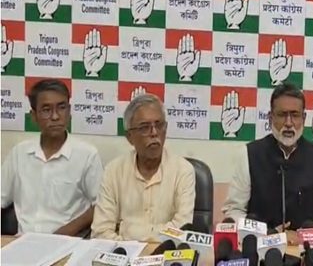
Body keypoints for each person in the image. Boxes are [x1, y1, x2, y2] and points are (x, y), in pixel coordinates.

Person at [222, 83, 313, 244]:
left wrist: (304, 236)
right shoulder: (249, 154)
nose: (289, 123)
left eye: (295, 115)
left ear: (304, 118)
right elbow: (233, 212)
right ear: (271, 118)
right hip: (260, 247)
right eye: (282, 115)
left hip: (306, 249)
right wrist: (266, 234)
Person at [1, 79, 103, 235]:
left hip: (68, 240)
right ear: (34, 116)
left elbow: (100, 205)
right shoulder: (19, 154)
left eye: (61, 108)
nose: (55, 116)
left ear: (69, 111)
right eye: (46, 110)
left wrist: (65, 232)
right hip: (22, 241)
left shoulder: (87, 155)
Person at [91, 93, 196, 241]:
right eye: (145, 127)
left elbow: (182, 228)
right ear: (129, 137)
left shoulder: (183, 171)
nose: (154, 133)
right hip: (123, 252)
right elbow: (100, 231)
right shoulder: (113, 172)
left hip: (166, 252)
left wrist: (131, 233)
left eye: (159, 125)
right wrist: (129, 249)